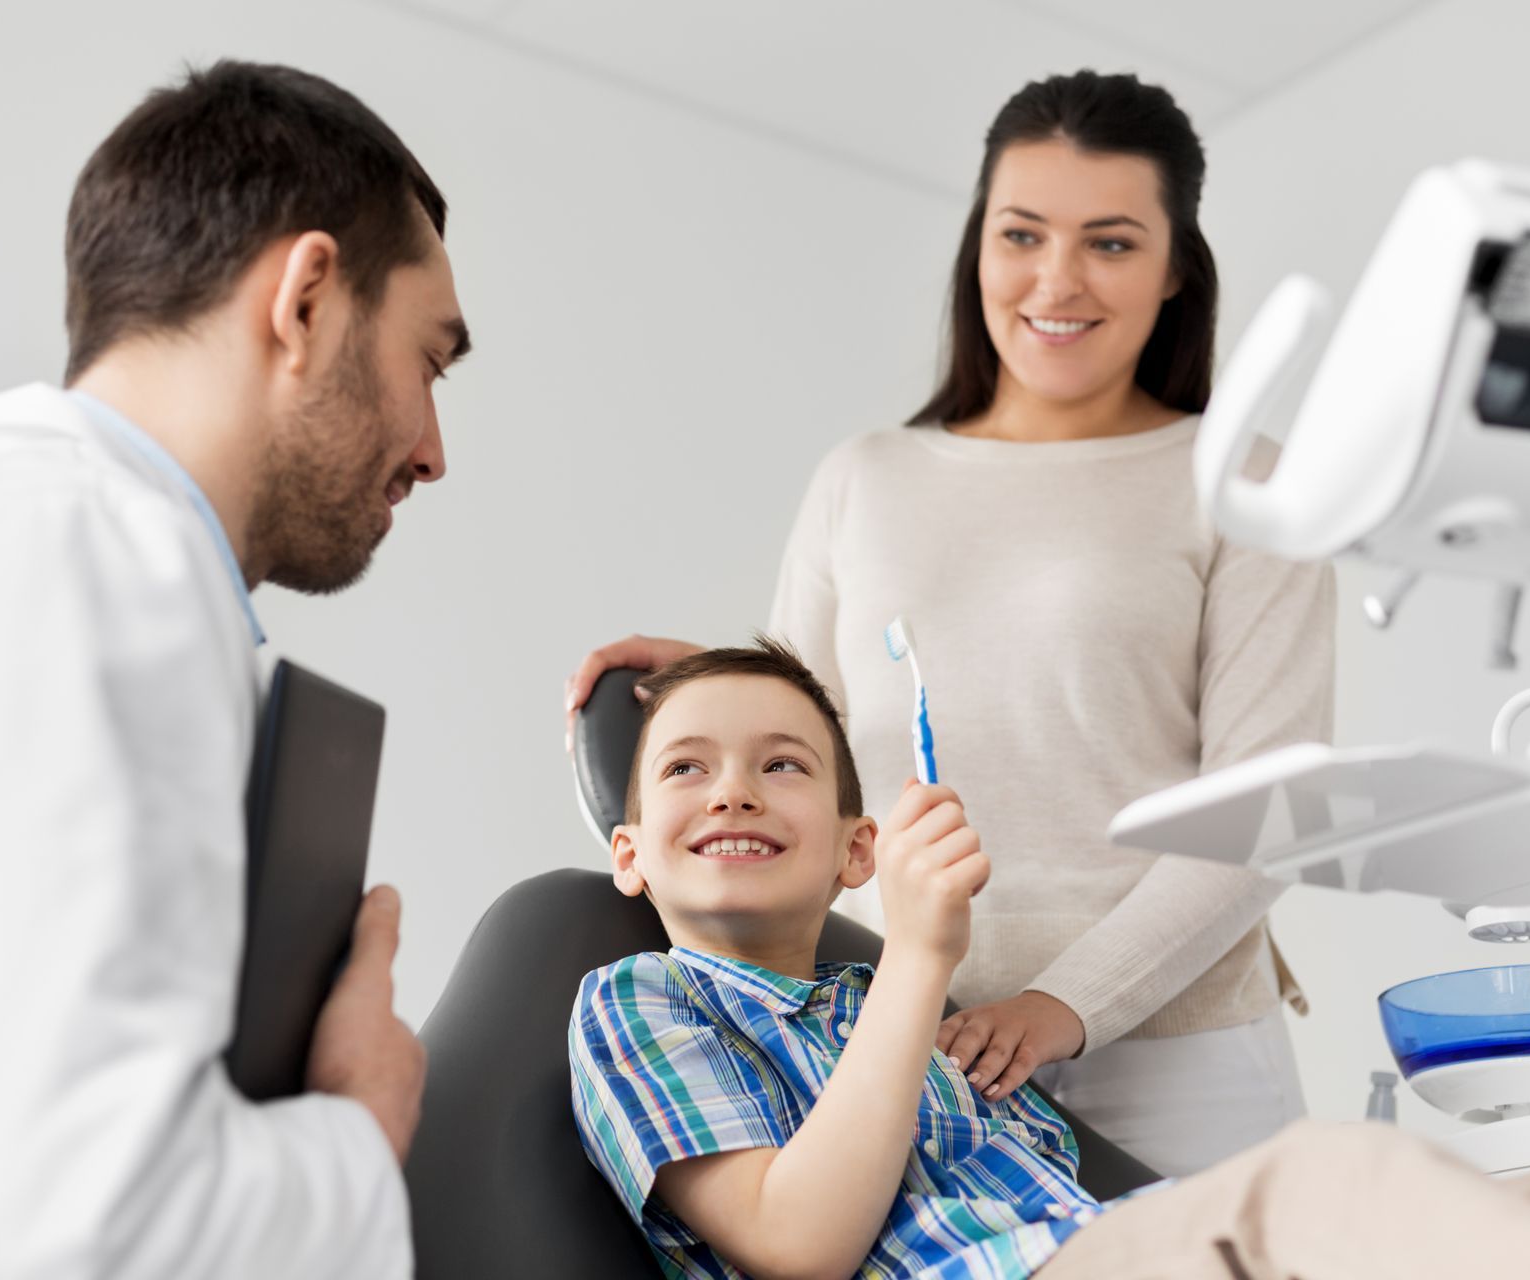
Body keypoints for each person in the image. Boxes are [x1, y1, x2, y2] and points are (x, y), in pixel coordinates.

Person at [567, 69, 1332, 1175]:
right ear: (979, 244)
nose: (1056, 278)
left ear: (1175, 271)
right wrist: (712, 681)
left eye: (1111, 242)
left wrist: (1063, 1003)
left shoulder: (1244, 485)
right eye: (1021, 233)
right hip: (912, 1039)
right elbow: (815, 746)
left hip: (1182, 1057)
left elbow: (1267, 812)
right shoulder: (864, 479)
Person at [568, 639, 1530, 1280]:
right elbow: (798, 1243)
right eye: (688, 764)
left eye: (781, 760)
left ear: (857, 848)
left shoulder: (891, 1025)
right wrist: (921, 955)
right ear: (628, 851)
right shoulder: (639, 999)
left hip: (1112, 1241)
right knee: (1325, 1181)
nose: (734, 783)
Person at [0, 61, 470, 1278]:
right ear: (305, 300)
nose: (432, 449)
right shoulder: (92, 562)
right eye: (431, 360)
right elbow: (88, 1225)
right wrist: (363, 1115)